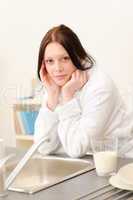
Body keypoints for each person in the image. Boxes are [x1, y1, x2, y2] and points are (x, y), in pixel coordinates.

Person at [34, 24, 133, 158]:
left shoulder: (100, 87)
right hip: (88, 162)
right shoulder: (56, 85)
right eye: (50, 61)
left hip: (120, 162)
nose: (57, 68)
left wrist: (68, 97)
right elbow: (43, 146)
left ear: (77, 56)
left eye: (65, 59)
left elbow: (76, 148)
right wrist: (52, 98)